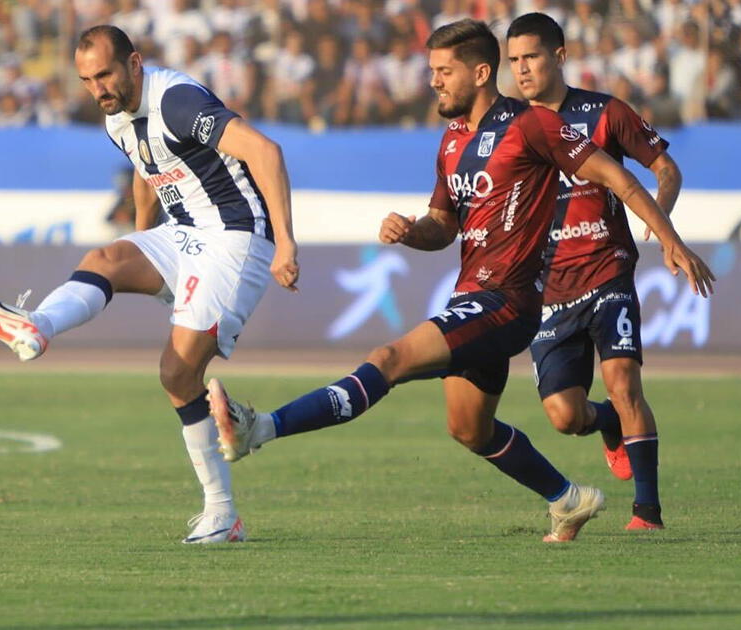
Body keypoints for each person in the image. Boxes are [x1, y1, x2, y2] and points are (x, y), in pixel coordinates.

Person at [206, 19, 714, 543]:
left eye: (444, 71)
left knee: (389, 360)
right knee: (468, 428)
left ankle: (257, 428)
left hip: (508, 302)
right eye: (431, 71)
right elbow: (444, 226)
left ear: (479, 72)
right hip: (472, 295)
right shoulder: (451, 141)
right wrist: (411, 231)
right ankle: (568, 499)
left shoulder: (532, 124)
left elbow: (619, 177)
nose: (433, 82)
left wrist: (670, 239)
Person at [0, 25, 298, 544]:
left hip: (237, 237)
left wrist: (287, 245)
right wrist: (144, 243)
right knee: (108, 257)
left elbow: (266, 152)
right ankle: (36, 326)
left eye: (105, 75)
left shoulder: (178, 102)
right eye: (86, 80)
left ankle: (223, 514)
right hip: (185, 234)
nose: (97, 89)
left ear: (134, 64)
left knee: (177, 375)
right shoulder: (116, 116)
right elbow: (148, 168)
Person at [506, 12, 699, 531]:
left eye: (532, 57)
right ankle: (607, 425)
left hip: (608, 270)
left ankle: (648, 514)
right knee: (566, 418)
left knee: (624, 384)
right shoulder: (510, 129)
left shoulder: (605, 113)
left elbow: (665, 169)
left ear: (560, 56)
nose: (523, 70)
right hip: (548, 289)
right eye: (514, 61)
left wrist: (662, 229)